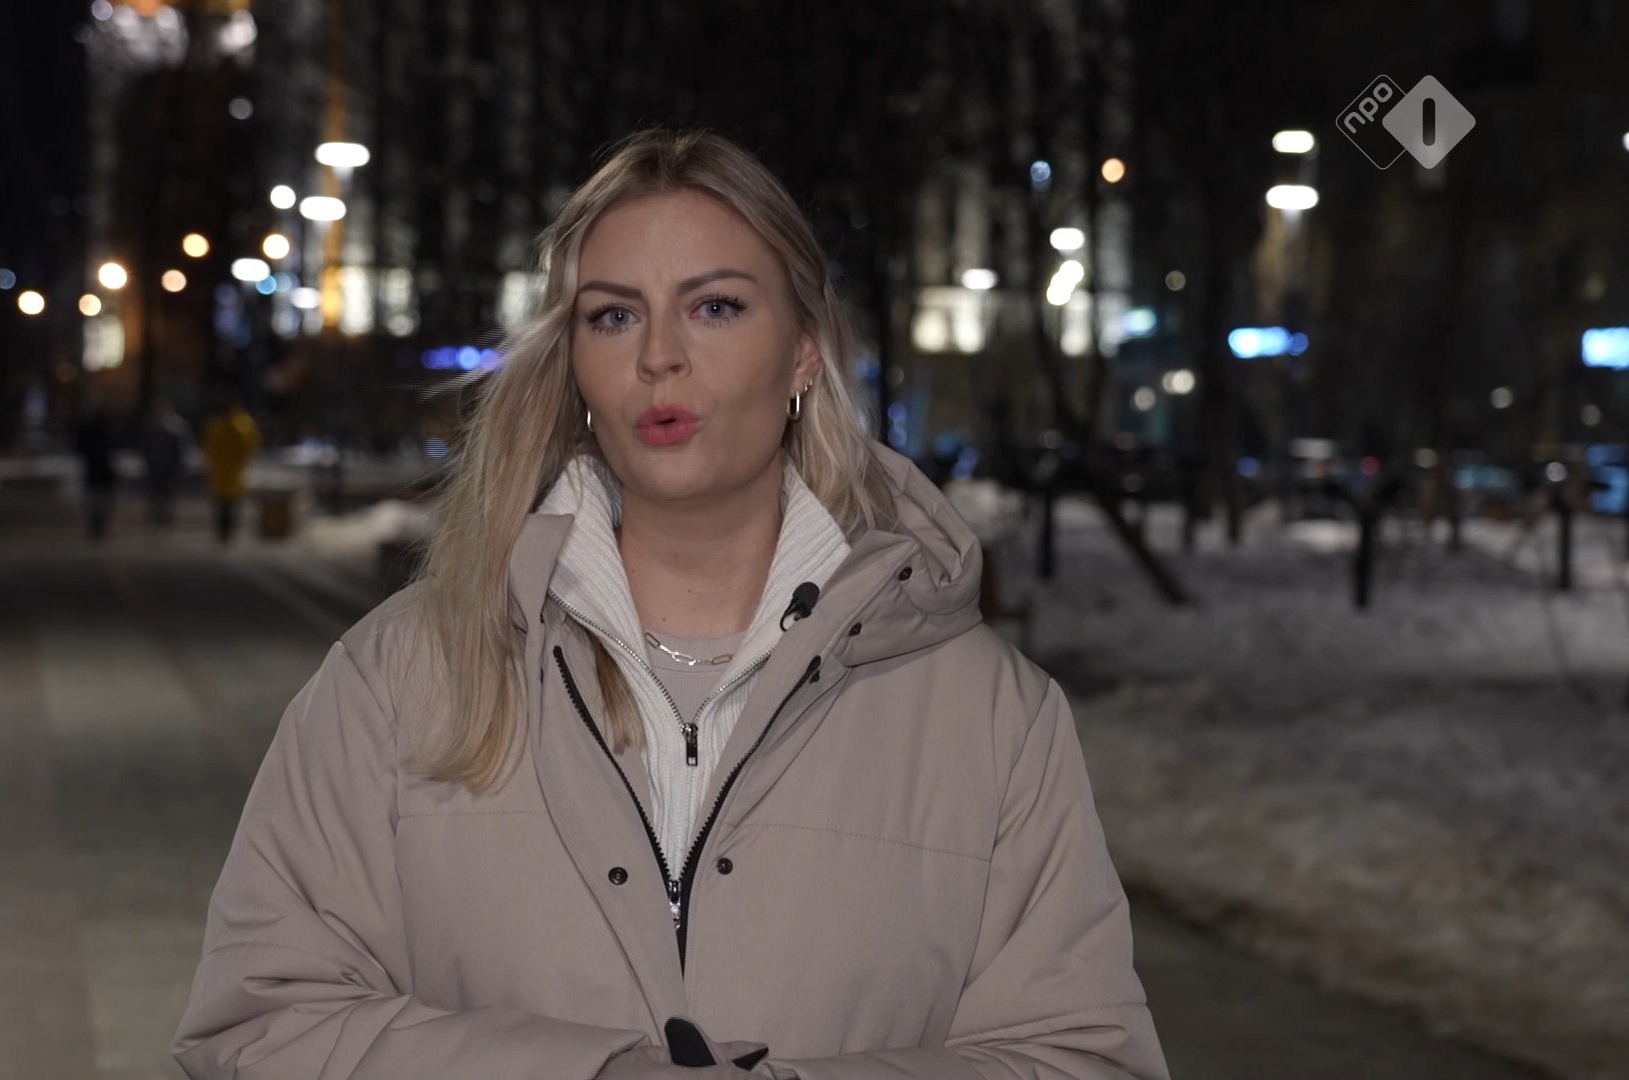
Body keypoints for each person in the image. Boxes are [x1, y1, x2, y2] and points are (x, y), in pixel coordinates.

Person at [174, 129, 1167, 1080]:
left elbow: (1079, 1057)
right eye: (614, 316)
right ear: (575, 362)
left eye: (715, 306)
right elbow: (261, 1026)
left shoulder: (990, 717)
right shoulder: (400, 680)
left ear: (805, 351)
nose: (658, 356)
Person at [199, 388, 260, 545]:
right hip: (224, 472)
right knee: (224, 504)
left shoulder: (237, 425)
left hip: (231, 472)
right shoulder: (224, 425)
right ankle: (224, 531)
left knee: (229, 503)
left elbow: (249, 446)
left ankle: (227, 531)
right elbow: (208, 447)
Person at [139, 398, 190, 533]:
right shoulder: (152, 429)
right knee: (155, 497)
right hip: (154, 468)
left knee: (167, 497)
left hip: (168, 469)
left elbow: (178, 451)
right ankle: (155, 521)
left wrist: (177, 466)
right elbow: (145, 448)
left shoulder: (174, 430)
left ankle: (166, 521)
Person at [73, 402, 117, 542]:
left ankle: (96, 527)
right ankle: (97, 528)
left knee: (95, 503)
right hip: (99, 474)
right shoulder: (103, 435)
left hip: (95, 474)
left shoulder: (91, 434)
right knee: (99, 503)